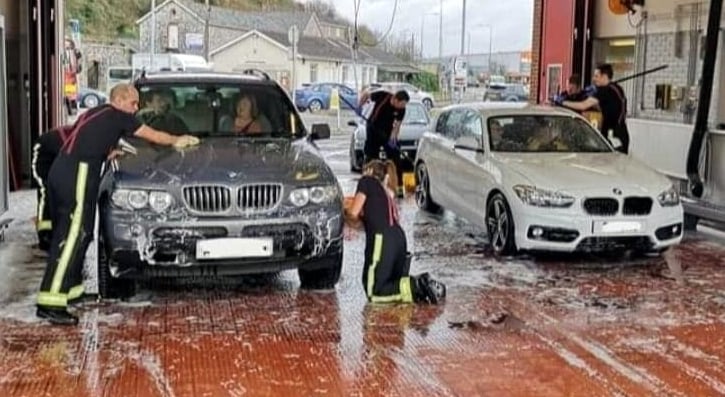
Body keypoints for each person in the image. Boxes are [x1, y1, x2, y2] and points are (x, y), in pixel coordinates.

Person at [36, 83, 200, 325]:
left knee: (82, 234)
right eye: (134, 103)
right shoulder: (118, 116)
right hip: (77, 175)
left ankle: (70, 290)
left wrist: (106, 152)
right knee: (71, 236)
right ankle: (50, 302)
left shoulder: (95, 113)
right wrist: (178, 139)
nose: (136, 108)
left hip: (64, 171)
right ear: (121, 99)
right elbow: (153, 135)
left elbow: (82, 139)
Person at [345, 160, 446, 304]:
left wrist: (343, 211)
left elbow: (353, 213)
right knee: (391, 283)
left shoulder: (367, 181)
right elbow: (370, 220)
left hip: (383, 240)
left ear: (369, 171)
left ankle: (418, 285)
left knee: (374, 293)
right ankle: (424, 286)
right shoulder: (386, 192)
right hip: (398, 239)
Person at [555, 64, 630, 154]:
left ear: (604, 76)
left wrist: (562, 102)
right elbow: (601, 107)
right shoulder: (617, 88)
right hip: (621, 134)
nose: (594, 79)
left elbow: (583, 105)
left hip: (613, 136)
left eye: (596, 76)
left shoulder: (604, 91)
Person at [357, 89, 409, 198]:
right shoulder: (383, 96)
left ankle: (399, 187)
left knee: (395, 158)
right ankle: (368, 186)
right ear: (395, 99)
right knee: (372, 158)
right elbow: (367, 94)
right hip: (373, 129)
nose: (402, 107)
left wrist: (393, 139)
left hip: (387, 133)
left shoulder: (402, 110)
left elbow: (397, 126)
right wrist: (360, 105)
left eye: (404, 105)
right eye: (401, 104)